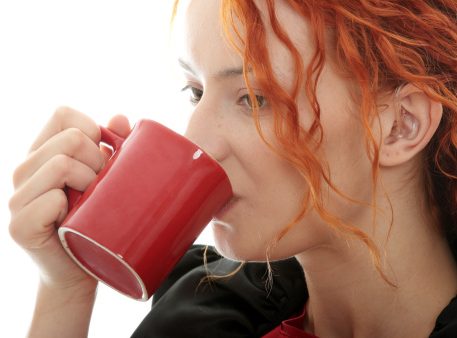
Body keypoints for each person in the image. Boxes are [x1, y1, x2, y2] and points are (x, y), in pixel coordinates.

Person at [8, 0, 457, 337]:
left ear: (401, 125)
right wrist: (64, 290)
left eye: (255, 98)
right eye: (194, 90)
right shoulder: (199, 316)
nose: (194, 140)